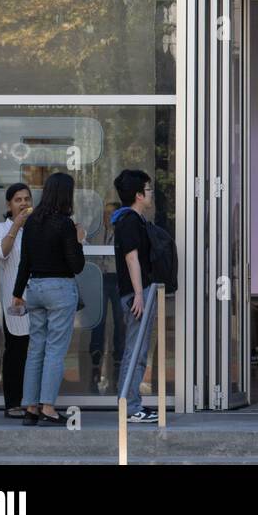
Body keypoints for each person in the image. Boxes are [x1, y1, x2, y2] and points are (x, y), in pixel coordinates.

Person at [13, 172, 85, 425]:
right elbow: (76, 266)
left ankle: (31, 407)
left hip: (34, 288)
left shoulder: (32, 222)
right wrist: (79, 241)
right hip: (60, 290)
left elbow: (25, 261)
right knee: (55, 350)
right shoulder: (64, 223)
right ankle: (48, 407)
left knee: (35, 350)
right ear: (66, 194)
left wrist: (16, 293)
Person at [112, 169, 158, 423]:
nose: (151, 194)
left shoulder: (130, 219)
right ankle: (130, 407)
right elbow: (132, 258)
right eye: (148, 190)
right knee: (135, 350)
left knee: (136, 349)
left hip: (138, 291)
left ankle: (131, 403)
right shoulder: (129, 220)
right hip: (136, 293)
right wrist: (139, 294)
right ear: (138, 195)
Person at [0, 183, 33, 418]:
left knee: (35, 351)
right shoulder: (2, 227)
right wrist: (16, 226)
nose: (24, 203)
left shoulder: (37, 227)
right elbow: (1, 253)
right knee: (16, 350)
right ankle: (13, 402)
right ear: (9, 204)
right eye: (18, 199)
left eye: (27, 198)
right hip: (14, 300)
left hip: (38, 298)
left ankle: (33, 401)